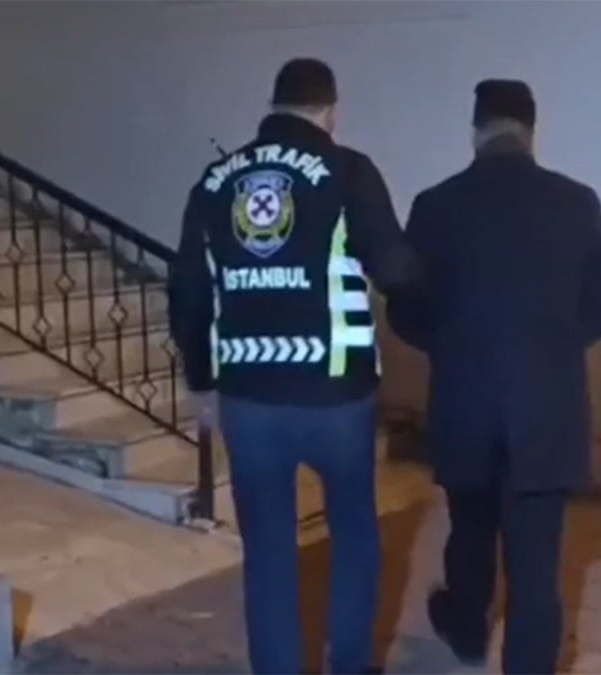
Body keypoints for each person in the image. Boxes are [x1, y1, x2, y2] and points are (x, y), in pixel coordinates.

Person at [167, 58, 423, 674]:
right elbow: (395, 269)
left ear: (273, 106)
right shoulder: (347, 170)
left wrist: (201, 381)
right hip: (337, 393)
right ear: (330, 111)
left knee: (268, 551)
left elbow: (188, 293)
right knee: (354, 534)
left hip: (249, 395)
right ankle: (350, 665)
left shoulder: (216, 180)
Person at [387, 79, 601, 674]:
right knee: (536, 566)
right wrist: (550, 349)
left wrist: (452, 348)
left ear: (476, 132)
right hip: (546, 410)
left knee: (469, 529)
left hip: (464, 404)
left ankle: (467, 630)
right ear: (531, 131)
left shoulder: (435, 205)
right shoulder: (576, 202)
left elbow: (405, 310)